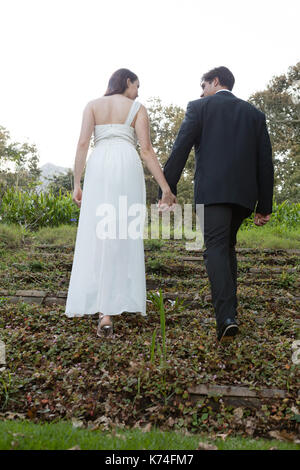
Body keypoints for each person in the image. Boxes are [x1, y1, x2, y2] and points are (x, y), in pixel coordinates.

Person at [158, 66, 274, 343]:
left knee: (216, 249)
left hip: (213, 193)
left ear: (216, 81)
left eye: (204, 85)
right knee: (226, 248)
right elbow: (265, 161)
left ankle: (226, 319)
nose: (201, 91)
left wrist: (167, 188)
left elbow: (180, 148)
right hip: (244, 197)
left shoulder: (199, 107)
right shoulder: (254, 114)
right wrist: (264, 204)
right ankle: (230, 312)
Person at [65, 68, 176, 336]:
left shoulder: (92, 105)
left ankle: (103, 309)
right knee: (122, 232)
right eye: (137, 85)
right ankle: (113, 303)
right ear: (127, 81)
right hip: (127, 166)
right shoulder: (137, 108)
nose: (138, 91)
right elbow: (147, 151)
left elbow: (82, 144)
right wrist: (165, 188)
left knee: (98, 233)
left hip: (100, 165)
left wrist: (77, 183)